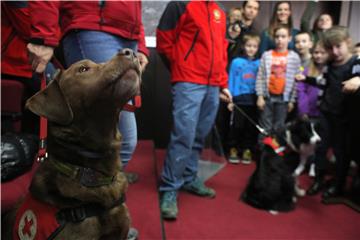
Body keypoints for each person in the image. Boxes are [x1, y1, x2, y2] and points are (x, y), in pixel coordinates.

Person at [26, 1, 149, 239]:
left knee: (126, 141)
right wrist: (43, 35)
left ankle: (105, 214)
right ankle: (84, 218)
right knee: (93, 137)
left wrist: (140, 44)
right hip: (91, 24)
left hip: (128, 33)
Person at [156, 1, 231, 220]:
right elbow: (164, 40)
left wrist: (223, 83)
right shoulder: (180, 4)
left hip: (213, 84)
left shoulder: (219, 11)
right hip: (189, 80)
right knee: (184, 135)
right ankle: (169, 188)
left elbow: (222, 50)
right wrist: (181, 66)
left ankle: (188, 178)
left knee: (200, 133)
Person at [297, 26, 360, 201]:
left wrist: (358, 79)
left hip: (344, 117)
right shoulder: (330, 64)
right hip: (326, 112)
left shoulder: (355, 62)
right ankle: (318, 179)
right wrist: (307, 79)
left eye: (338, 46)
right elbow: (322, 82)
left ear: (348, 43)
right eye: (331, 48)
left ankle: (338, 186)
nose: (335, 51)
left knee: (341, 152)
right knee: (321, 149)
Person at [256, 24, 301, 138]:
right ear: (273, 38)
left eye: (283, 36)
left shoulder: (294, 57)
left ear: (289, 38)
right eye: (277, 36)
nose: (280, 39)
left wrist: (292, 100)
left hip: (283, 99)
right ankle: (264, 152)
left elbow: (297, 81)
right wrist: (260, 96)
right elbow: (260, 76)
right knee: (265, 126)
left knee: (279, 127)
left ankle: (276, 153)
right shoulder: (266, 55)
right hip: (267, 97)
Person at [227, 33, 260, 164]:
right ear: (243, 46)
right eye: (249, 46)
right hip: (239, 99)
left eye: (254, 46)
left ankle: (247, 149)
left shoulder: (259, 63)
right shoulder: (236, 62)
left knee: (249, 127)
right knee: (237, 126)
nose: (251, 49)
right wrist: (231, 99)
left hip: (253, 99)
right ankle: (233, 148)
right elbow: (231, 80)